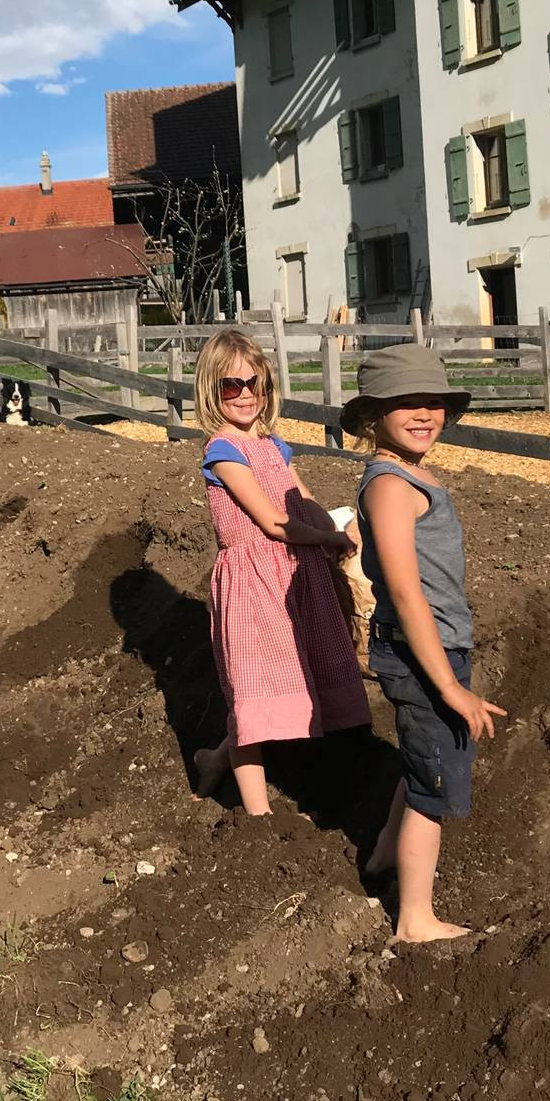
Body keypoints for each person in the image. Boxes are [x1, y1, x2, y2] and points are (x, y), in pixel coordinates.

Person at [343, 344, 508, 944]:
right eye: (406, 402)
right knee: (433, 789)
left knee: (421, 762)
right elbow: (408, 596)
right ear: (371, 417)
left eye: (433, 402)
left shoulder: (413, 476)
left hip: (434, 647)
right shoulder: (389, 486)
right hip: (421, 654)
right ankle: (414, 917)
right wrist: (450, 689)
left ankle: (386, 851)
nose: (424, 413)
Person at [188, 329, 370, 816]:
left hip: (295, 578)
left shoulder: (273, 445)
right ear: (212, 390)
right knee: (252, 693)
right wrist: (328, 538)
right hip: (253, 586)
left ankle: (214, 760)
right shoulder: (222, 451)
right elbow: (272, 521)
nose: (246, 394)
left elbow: (301, 501)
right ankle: (257, 815)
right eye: (232, 386)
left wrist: (338, 529)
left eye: (256, 383)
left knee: (300, 675)